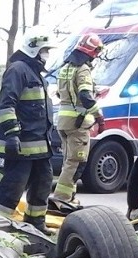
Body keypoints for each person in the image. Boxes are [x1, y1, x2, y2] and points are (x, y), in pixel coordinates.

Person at [0, 26, 56, 232]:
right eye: (45, 49)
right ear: (34, 48)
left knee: (43, 182)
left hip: (39, 145)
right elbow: (5, 105)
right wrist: (12, 135)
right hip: (21, 144)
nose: (47, 54)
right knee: (14, 185)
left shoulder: (36, 73)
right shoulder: (18, 70)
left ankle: (35, 223)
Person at [49, 34, 106, 212]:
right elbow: (85, 96)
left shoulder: (65, 68)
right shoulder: (83, 70)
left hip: (64, 122)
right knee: (77, 162)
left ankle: (69, 197)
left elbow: (61, 94)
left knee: (69, 161)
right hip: (78, 124)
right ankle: (61, 199)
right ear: (90, 52)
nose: (95, 57)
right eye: (95, 52)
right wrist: (99, 117)